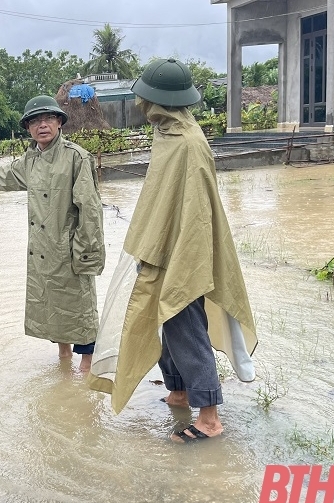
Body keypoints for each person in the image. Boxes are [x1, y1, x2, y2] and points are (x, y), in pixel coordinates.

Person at [87, 58, 258, 443]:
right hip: (161, 248)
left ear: (157, 100)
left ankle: (210, 416)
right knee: (160, 322)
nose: (138, 104)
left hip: (185, 252)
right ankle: (179, 391)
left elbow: (197, 211)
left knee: (184, 325)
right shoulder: (167, 135)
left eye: (144, 97)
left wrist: (185, 259)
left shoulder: (189, 144)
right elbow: (163, 201)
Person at [0, 95, 105, 371]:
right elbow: (9, 176)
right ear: (28, 128)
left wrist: (86, 254)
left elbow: (90, 210)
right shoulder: (30, 160)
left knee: (80, 307)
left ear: (59, 122)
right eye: (35, 121)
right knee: (50, 304)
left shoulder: (76, 158)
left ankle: (87, 366)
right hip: (41, 248)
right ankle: (63, 359)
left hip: (70, 247)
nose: (42, 125)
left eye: (48, 118)